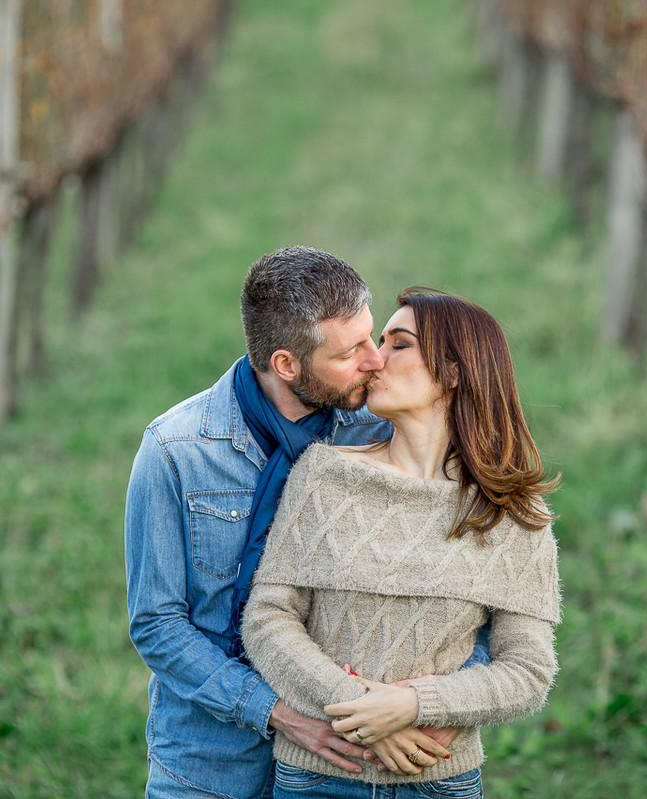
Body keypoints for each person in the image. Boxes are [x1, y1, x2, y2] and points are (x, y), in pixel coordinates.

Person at [124, 248, 484, 799]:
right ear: (287, 364)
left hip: (347, 764)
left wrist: (448, 700)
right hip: (205, 763)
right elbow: (158, 623)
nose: (375, 360)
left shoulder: (379, 433)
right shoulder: (178, 449)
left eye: (373, 337)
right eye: (350, 353)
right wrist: (280, 714)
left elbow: (468, 588)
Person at [241, 289, 561, 798]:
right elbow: (268, 618)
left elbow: (528, 671)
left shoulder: (512, 512)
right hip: (318, 778)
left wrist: (413, 705)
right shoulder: (324, 476)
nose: (374, 360)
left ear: (454, 372)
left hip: (438, 781)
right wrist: (360, 709)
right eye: (377, 341)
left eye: (398, 344)